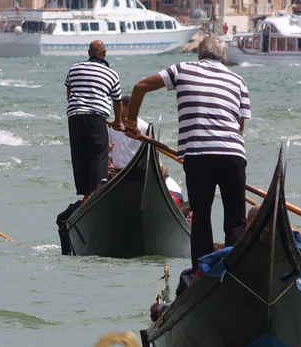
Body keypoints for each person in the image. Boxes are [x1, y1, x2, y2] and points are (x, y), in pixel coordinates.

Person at [126, 34, 250, 267]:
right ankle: (237, 270)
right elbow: (239, 128)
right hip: (233, 153)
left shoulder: (182, 69)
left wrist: (131, 123)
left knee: (201, 216)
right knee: (236, 221)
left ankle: (201, 271)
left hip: (198, 155)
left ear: (199, 54)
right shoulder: (238, 81)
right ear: (224, 60)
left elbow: (139, 87)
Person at [65, 40, 123, 198]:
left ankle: (85, 193)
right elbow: (117, 101)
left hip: (75, 117)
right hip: (96, 118)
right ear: (104, 54)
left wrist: (78, 105)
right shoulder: (111, 74)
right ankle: (98, 194)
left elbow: (69, 91)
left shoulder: (74, 68)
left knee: (80, 155)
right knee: (98, 156)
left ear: (89, 53)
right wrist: (117, 122)